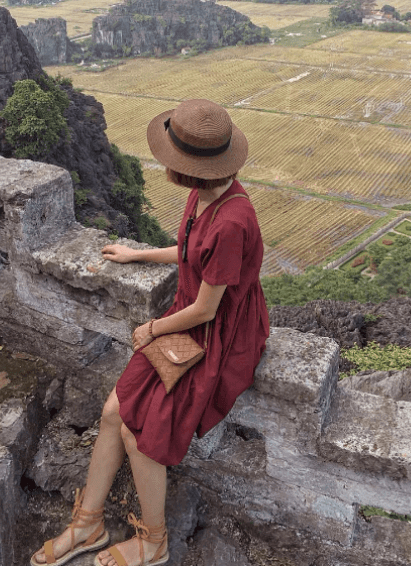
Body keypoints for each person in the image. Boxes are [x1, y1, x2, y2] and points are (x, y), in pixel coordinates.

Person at [31, 99, 269, 566]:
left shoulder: (234, 221)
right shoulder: (206, 196)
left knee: (141, 432)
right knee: (111, 413)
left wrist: (151, 328)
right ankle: (88, 524)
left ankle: (155, 543)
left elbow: (206, 308)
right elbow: (188, 251)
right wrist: (139, 254)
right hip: (190, 317)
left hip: (214, 334)